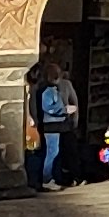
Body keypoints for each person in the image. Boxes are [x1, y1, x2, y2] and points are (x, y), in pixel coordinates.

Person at [27, 61, 75, 190]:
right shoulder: (47, 91)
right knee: (52, 152)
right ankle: (46, 179)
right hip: (51, 124)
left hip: (54, 124)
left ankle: (50, 178)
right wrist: (65, 110)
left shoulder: (48, 90)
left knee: (53, 152)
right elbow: (49, 108)